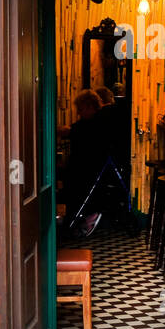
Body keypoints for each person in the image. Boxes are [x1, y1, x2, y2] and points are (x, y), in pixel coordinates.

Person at [63, 89, 108, 236]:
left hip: (88, 170)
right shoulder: (96, 122)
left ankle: (72, 221)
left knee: (67, 177)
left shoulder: (94, 124)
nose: (78, 113)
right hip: (89, 168)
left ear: (89, 107)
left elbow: (74, 131)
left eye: (80, 109)